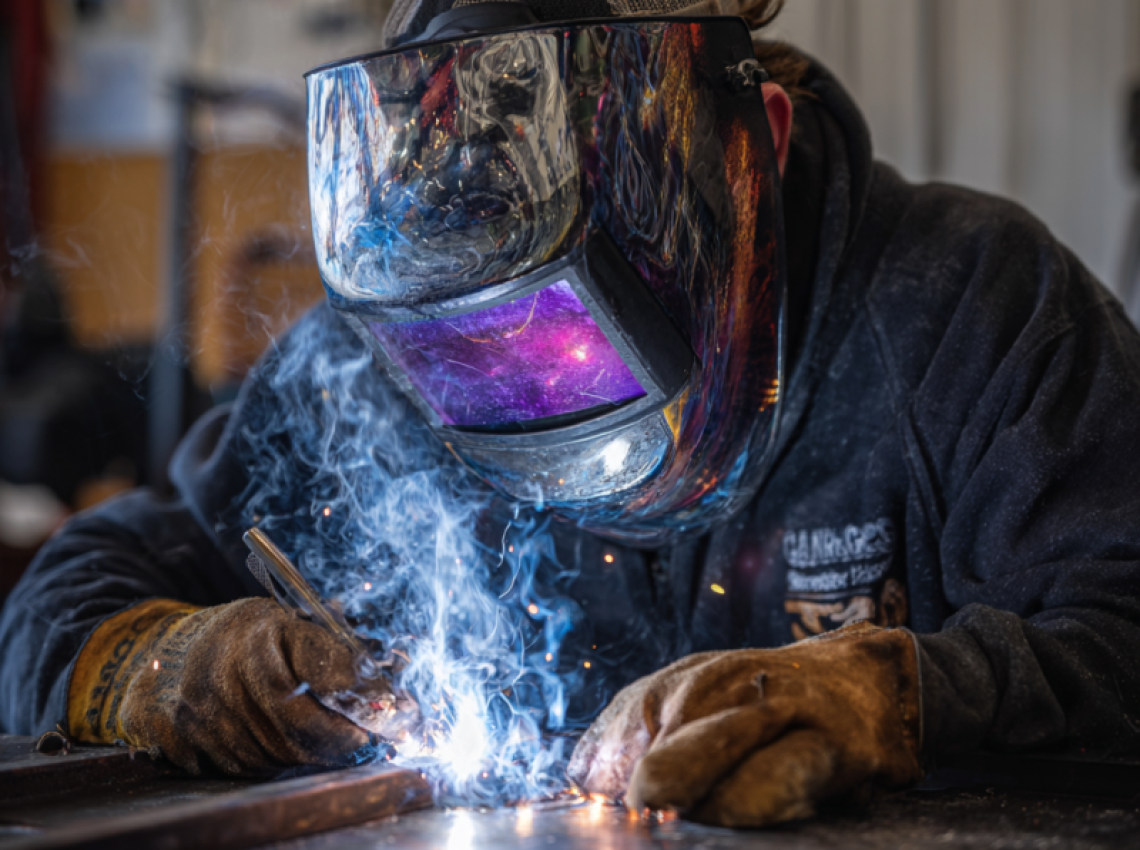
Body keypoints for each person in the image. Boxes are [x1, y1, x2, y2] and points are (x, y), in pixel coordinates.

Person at [4, 0, 1140, 828]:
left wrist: (904, 697)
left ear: (762, 152)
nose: (532, 383)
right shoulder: (368, 366)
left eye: (572, 322)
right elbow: (59, 600)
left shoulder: (971, 304)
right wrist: (171, 666)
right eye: (474, 351)